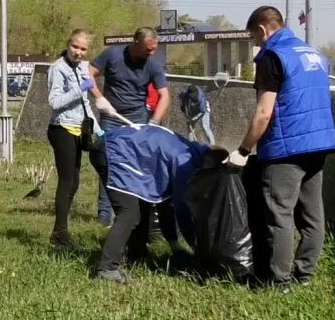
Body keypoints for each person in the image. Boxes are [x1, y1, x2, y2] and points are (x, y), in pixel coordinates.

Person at [227, 6, 335, 292]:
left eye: (254, 36)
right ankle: (305, 276)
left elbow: (264, 113)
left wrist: (243, 149)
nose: (255, 42)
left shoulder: (273, 56)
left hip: (286, 148)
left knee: (279, 215)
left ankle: (279, 282)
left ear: (263, 29)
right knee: (313, 215)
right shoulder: (314, 54)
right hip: (319, 144)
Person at [89, 123, 223, 283]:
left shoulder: (190, 150)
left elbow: (165, 203)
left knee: (144, 202)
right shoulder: (184, 161)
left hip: (115, 147)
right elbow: (182, 210)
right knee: (129, 213)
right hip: (113, 151)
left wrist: (175, 246)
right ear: (208, 165)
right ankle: (107, 270)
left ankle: (136, 254)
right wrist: (199, 248)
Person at [89, 27, 170, 225]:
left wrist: (154, 123)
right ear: (135, 43)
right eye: (147, 49)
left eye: (154, 49)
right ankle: (104, 214)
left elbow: (165, 96)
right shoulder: (112, 55)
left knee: (135, 167)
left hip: (138, 121)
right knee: (109, 164)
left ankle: (133, 214)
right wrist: (99, 98)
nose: (151, 53)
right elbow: (87, 75)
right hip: (111, 118)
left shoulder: (153, 65)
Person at [45, 29, 102, 252]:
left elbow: (85, 104)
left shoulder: (82, 68)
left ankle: (60, 230)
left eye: (83, 49)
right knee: (67, 181)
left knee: (75, 182)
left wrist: (98, 129)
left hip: (80, 128)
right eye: (75, 47)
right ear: (68, 45)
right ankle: (60, 234)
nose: (78, 52)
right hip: (62, 129)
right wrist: (81, 88)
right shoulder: (57, 69)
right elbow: (54, 102)